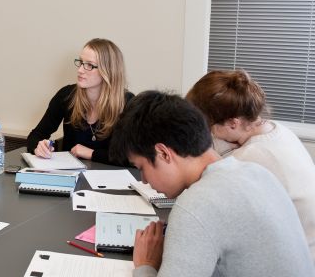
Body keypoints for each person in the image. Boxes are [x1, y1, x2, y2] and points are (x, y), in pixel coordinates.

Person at [109, 91, 314, 277]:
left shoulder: (196, 205)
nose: (144, 180)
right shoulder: (256, 172)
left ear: (163, 153)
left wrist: (145, 265)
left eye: (141, 167)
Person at [186, 69, 315, 261]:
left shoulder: (248, 158)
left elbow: (203, 194)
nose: (208, 134)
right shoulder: (279, 131)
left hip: (295, 259)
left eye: (208, 126)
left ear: (232, 123)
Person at [27, 38, 133, 163]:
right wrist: (38, 147)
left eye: (89, 65)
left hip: (112, 180)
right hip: (70, 177)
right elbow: (35, 136)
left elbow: (133, 157)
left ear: (108, 71)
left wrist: (92, 153)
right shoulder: (66, 96)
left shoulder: (128, 103)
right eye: (81, 62)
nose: (80, 70)